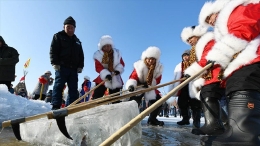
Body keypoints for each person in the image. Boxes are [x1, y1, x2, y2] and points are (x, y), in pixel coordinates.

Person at [198, 1, 260, 145]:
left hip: (253, 57)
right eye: (207, 21)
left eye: (210, 17)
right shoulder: (223, 25)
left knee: (242, 81)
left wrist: (219, 53)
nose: (211, 21)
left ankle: (243, 137)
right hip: (246, 58)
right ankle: (241, 132)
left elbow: (244, 26)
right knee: (236, 82)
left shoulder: (234, 10)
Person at [181, 25, 228, 135]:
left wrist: (191, 71)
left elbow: (205, 59)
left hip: (215, 73)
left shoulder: (208, 40)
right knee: (207, 96)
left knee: (209, 95)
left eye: (190, 38)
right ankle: (221, 124)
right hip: (208, 76)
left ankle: (215, 125)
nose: (189, 42)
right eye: (187, 40)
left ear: (197, 34)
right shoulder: (196, 48)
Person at [50, 16, 84, 110]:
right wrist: (55, 63)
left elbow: (81, 55)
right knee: (59, 85)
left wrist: (80, 66)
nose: (70, 29)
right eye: (68, 27)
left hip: (73, 69)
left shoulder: (77, 41)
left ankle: (70, 107)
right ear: (64, 27)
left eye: (72, 27)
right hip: (61, 67)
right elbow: (53, 51)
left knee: (73, 88)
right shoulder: (58, 36)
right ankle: (56, 106)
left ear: (74, 28)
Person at [126, 46, 164, 126]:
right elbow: (133, 77)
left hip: (150, 87)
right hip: (139, 86)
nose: (150, 61)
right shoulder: (139, 65)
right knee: (134, 102)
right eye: (149, 58)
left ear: (155, 60)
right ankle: (129, 119)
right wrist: (132, 85)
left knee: (158, 100)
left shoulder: (158, 68)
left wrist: (150, 83)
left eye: (153, 59)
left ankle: (152, 119)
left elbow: (158, 79)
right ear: (146, 58)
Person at [168, 48, 202, 128]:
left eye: (187, 55)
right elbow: (175, 77)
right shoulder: (179, 66)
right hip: (182, 87)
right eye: (184, 56)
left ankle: (196, 121)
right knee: (182, 103)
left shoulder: (195, 64)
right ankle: (185, 119)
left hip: (193, 86)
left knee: (195, 104)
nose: (185, 57)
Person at [92, 35, 125, 103]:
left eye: (108, 45)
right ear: (102, 47)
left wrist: (118, 70)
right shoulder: (98, 55)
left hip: (115, 76)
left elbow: (121, 63)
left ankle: (115, 108)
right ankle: (94, 106)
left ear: (111, 45)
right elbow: (98, 67)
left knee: (115, 97)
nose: (107, 47)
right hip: (103, 77)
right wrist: (106, 74)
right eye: (105, 46)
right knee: (97, 94)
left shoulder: (117, 54)